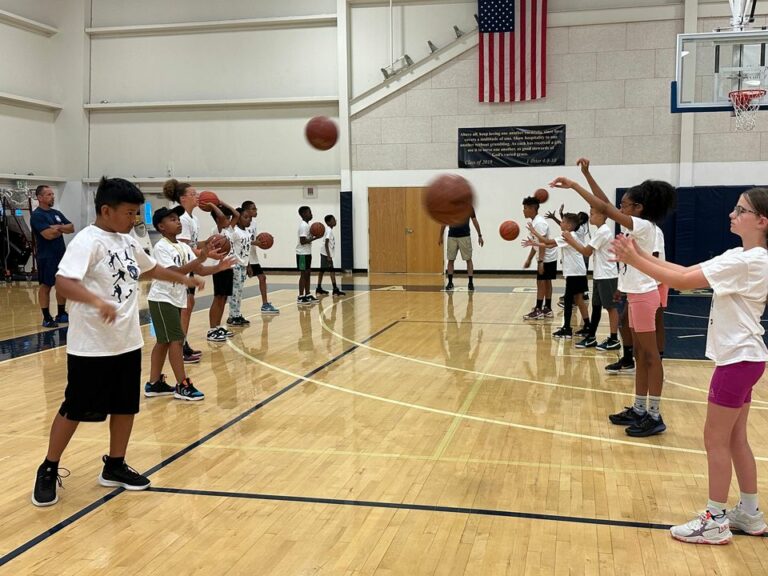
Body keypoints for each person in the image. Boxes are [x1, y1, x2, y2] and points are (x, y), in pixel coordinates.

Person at [31, 177, 204, 507]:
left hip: (127, 342)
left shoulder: (127, 241)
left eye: (137, 213)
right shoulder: (88, 241)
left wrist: (185, 277)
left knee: (126, 406)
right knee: (75, 409)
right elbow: (63, 283)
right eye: (129, 213)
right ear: (106, 210)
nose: (134, 219)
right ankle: (49, 467)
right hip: (91, 346)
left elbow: (151, 269)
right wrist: (96, 303)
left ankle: (114, 465)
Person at [611, 188, 768, 545]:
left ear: (761, 221)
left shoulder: (749, 261)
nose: (732, 213)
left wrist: (633, 260)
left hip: (736, 361)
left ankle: (714, 519)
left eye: (741, 210)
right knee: (736, 438)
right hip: (748, 359)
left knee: (715, 439)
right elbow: (682, 270)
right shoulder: (744, 256)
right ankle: (750, 512)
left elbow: (681, 282)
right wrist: (639, 253)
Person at [550, 172, 676, 438]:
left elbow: (604, 206)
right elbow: (605, 203)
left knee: (650, 356)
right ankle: (640, 408)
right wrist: (586, 175)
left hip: (644, 295)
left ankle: (654, 414)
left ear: (638, 208)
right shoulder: (636, 226)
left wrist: (574, 185)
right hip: (633, 293)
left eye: (624, 206)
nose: (618, 210)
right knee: (641, 356)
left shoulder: (643, 227)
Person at [145, 206, 234, 401]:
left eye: (178, 218)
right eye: (172, 219)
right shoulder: (161, 247)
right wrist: (201, 257)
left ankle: (154, 384)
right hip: (162, 298)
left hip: (176, 298)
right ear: (161, 226)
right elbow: (174, 272)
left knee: (164, 341)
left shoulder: (184, 247)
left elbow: (200, 270)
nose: (177, 222)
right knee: (176, 340)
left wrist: (218, 267)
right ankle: (182, 384)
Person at [561, 206, 620, 350]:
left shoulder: (604, 232)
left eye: (593, 214)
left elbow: (586, 252)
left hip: (608, 275)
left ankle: (614, 339)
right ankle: (591, 337)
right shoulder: (599, 231)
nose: (590, 216)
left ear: (602, 216)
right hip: (600, 274)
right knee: (596, 307)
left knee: (611, 308)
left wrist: (570, 240)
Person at [524, 213, 590, 338]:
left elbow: (547, 241)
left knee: (569, 301)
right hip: (578, 272)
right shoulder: (570, 235)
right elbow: (550, 245)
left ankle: (567, 328)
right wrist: (535, 244)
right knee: (578, 300)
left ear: (569, 225)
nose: (561, 223)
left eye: (563, 221)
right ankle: (587, 325)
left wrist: (534, 232)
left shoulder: (568, 236)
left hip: (574, 273)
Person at [163, 179, 203, 363]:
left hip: (189, 265)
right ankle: (179, 346)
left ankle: (182, 343)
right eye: (193, 194)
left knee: (189, 305)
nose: (197, 196)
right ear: (183, 198)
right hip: (180, 266)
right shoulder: (183, 219)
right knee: (185, 307)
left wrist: (209, 245)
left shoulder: (193, 218)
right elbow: (186, 246)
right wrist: (205, 253)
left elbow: (193, 245)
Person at [30, 185, 74, 328]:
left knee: (61, 284)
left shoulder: (56, 213)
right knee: (46, 286)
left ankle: (61, 313)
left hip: (61, 255)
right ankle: (46, 317)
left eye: (53, 194)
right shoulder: (37, 216)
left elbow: (71, 227)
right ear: (40, 197)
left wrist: (57, 227)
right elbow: (48, 235)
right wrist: (62, 227)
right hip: (46, 257)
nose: (52, 197)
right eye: (49, 194)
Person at [206, 202, 239, 342]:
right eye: (226, 216)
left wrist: (220, 201)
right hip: (219, 267)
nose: (229, 218)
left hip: (228, 267)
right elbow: (219, 217)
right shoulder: (217, 229)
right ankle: (212, 329)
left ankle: (218, 326)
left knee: (224, 299)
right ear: (219, 218)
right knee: (218, 298)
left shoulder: (229, 229)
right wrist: (213, 206)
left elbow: (236, 214)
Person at [522, 196, 557, 320]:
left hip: (546, 257)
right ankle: (547, 308)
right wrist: (530, 259)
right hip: (547, 256)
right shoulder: (535, 221)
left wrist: (541, 262)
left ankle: (538, 309)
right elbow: (535, 244)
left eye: (525, 208)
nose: (523, 210)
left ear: (532, 208)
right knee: (546, 282)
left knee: (541, 282)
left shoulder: (539, 223)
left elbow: (543, 244)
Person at [242, 201, 280, 314]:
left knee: (262, 278)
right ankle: (234, 311)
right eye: (253, 209)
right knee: (238, 284)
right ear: (246, 210)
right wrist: (256, 243)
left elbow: (254, 239)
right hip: (243, 257)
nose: (256, 211)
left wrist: (265, 240)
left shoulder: (254, 223)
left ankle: (265, 304)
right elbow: (243, 241)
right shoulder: (242, 224)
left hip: (253, 256)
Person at [438, 208, 483, 291]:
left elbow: (474, 220)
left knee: (468, 259)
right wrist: (440, 236)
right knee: (450, 260)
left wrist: (479, 235)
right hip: (452, 237)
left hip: (465, 236)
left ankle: (470, 283)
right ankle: (450, 283)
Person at [226, 207, 254, 326]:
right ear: (237, 219)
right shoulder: (234, 232)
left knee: (240, 292)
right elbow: (229, 248)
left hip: (243, 264)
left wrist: (248, 266)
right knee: (234, 292)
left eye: (250, 218)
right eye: (246, 217)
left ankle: (237, 314)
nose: (249, 220)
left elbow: (246, 250)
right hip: (235, 265)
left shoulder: (247, 232)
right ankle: (232, 316)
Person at [296, 206, 321, 305]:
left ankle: (308, 294)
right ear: (303, 214)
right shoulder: (303, 226)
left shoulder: (307, 225)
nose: (311, 214)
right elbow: (302, 241)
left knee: (308, 274)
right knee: (303, 275)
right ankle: (301, 296)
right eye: (309, 212)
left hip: (307, 253)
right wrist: (315, 238)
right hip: (302, 253)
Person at [316, 214, 346, 296]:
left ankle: (320, 288)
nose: (335, 220)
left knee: (325, 270)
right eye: (333, 220)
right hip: (325, 254)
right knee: (328, 270)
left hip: (325, 253)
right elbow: (326, 243)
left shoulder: (329, 230)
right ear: (328, 222)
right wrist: (328, 256)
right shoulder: (328, 230)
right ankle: (332, 289)